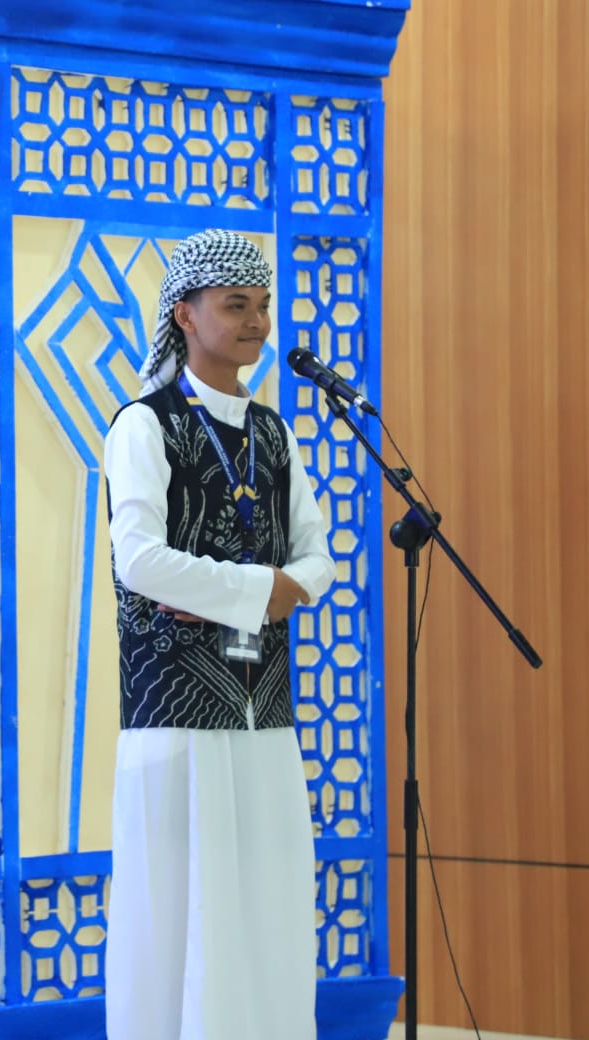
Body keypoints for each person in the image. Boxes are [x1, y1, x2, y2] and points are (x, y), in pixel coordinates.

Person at [102, 229, 336, 1039]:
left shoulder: (273, 433)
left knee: (267, 914)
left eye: (262, 305)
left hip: (263, 713)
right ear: (185, 314)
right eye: (237, 305)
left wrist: (252, 594)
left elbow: (317, 556)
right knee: (178, 923)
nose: (257, 322)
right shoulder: (145, 426)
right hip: (175, 720)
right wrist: (258, 591)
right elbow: (139, 559)